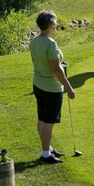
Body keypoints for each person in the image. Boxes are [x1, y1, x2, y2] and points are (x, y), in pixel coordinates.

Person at [29, 10, 75, 164]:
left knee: (42, 118)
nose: (56, 26)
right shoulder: (50, 43)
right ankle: (45, 154)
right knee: (49, 121)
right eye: (55, 23)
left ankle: (48, 148)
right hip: (51, 88)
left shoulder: (35, 40)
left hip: (38, 84)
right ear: (50, 26)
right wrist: (68, 87)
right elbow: (56, 68)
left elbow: (36, 61)